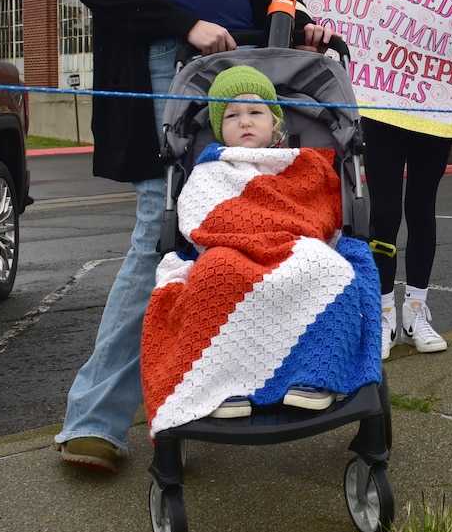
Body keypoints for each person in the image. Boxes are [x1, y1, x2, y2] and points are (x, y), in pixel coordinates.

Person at [56, 0, 328, 472]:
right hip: (167, 65)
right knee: (163, 224)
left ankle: (212, 387)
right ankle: (95, 419)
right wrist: (185, 22)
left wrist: (305, 20)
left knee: (244, 221)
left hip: (248, 76)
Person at [140, 66, 380, 432]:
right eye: (232, 115)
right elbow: (198, 214)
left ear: (275, 121)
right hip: (228, 249)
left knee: (330, 270)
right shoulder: (211, 168)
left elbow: (318, 209)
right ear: (220, 128)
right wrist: (245, 233)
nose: (245, 122)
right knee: (214, 273)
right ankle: (221, 383)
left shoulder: (300, 163)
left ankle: (315, 372)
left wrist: (282, 232)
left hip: (294, 244)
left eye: (255, 112)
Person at [368, 0, 452, 357]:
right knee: (383, 213)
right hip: (380, 112)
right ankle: (384, 313)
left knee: (421, 209)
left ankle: (418, 311)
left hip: (432, 109)